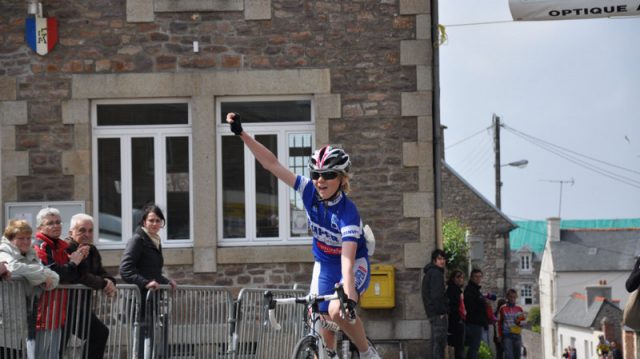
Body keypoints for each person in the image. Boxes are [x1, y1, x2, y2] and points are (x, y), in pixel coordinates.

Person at [225, 112, 380, 359]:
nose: (320, 180)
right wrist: (243, 135)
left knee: (338, 311)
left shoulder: (347, 213)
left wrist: (349, 297)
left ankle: (367, 352)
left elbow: (348, 262)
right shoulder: (308, 191)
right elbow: (272, 164)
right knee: (319, 320)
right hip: (325, 264)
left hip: (351, 262)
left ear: (341, 178)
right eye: (316, 174)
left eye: (328, 175)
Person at [120, 204, 177, 358]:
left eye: (158, 221)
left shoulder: (154, 241)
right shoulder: (138, 240)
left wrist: (166, 281)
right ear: (144, 222)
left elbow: (152, 271)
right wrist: (145, 282)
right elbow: (125, 269)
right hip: (138, 301)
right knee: (140, 345)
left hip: (150, 301)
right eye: (151, 220)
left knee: (149, 344)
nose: (155, 224)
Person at [33, 207, 88, 359]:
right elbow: (55, 273)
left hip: (57, 312)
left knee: (54, 355)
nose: (56, 225)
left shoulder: (61, 247)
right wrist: (73, 263)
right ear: (40, 227)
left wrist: (80, 259)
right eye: (50, 223)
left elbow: (72, 275)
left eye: (58, 222)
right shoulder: (41, 245)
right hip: (43, 312)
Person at [0, 219, 60, 358]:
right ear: (10, 239)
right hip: (5, 321)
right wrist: (42, 276)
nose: (26, 242)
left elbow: (55, 278)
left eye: (28, 237)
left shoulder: (31, 254)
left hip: (24, 322)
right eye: (21, 238)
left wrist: (38, 276)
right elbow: (13, 268)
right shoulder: (3, 251)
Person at [63, 213, 116, 359]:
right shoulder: (66, 248)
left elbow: (102, 272)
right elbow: (80, 276)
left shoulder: (92, 250)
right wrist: (103, 283)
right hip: (64, 307)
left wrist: (110, 282)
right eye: (82, 230)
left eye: (90, 231)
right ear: (71, 232)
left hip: (81, 308)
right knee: (58, 346)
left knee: (99, 334)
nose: (87, 234)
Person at [421, 249, 448, 359]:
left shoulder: (431, 273)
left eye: (443, 259)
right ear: (434, 261)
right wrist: (441, 311)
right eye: (439, 259)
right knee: (439, 344)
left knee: (437, 343)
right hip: (437, 314)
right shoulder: (436, 273)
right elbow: (437, 295)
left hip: (433, 313)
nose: (442, 261)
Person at [464, 268, 488, 359]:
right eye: (476, 277)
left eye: (479, 277)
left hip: (477, 322)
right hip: (474, 323)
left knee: (474, 348)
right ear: (471, 277)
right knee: (474, 348)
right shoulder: (470, 290)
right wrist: (482, 303)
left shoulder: (476, 290)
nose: (478, 279)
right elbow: (471, 307)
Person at [497, 289, 526, 359]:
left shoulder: (519, 309)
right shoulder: (502, 308)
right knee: (508, 356)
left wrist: (519, 322)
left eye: (514, 297)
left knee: (517, 356)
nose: (512, 299)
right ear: (507, 297)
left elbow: (523, 323)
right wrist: (499, 335)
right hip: (507, 336)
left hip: (517, 335)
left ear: (516, 297)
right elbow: (499, 323)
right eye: (511, 297)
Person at [446, 269, 466, 359]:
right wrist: (459, 319)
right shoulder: (453, 290)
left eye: (462, 277)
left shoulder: (456, 290)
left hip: (457, 321)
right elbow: (454, 307)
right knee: (459, 349)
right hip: (456, 322)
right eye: (458, 277)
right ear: (453, 278)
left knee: (459, 348)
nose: (460, 279)